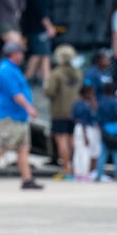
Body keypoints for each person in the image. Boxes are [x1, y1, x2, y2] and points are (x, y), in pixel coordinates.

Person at [0, 42, 43, 190]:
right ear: (13, 54)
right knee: (3, 145)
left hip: (19, 117)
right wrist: (29, 108)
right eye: (20, 52)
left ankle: (27, 179)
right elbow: (15, 94)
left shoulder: (13, 69)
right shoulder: (6, 71)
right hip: (8, 116)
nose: (22, 55)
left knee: (23, 148)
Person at [44, 43, 82, 180]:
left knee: (62, 141)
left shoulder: (56, 73)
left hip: (59, 112)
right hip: (75, 111)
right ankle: (77, 167)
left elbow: (50, 92)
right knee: (73, 141)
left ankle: (66, 169)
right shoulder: (78, 73)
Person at [22, 0, 57, 89]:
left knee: (44, 54)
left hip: (39, 29)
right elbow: (40, 13)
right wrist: (49, 27)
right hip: (37, 29)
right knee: (39, 54)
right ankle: (25, 79)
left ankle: (46, 81)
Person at [94, 82, 117, 182]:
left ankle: (99, 174)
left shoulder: (101, 102)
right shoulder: (114, 102)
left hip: (105, 129)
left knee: (103, 153)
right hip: (115, 129)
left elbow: (97, 119)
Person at [71, 84, 100, 181]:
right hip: (84, 129)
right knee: (85, 152)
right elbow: (85, 120)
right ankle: (84, 173)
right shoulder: (85, 105)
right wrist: (85, 136)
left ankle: (77, 172)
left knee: (78, 151)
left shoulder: (76, 104)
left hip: (77, 128)